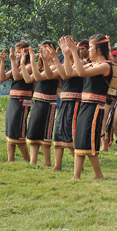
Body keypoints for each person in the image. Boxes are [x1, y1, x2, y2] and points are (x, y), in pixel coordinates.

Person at [63, 34, 113, 180]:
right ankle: (76, 175)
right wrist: (67, 54)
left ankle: (98, 174)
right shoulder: (92, 64)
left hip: (95, 107)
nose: (88, 50)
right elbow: (69, 73)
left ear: (98, 50)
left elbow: (81, 72)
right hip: (85, 106)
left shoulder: (105, 66)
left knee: (89, 139)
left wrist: (73, 52)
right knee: (79, 139)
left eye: (91, 47)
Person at [45, 37, 83, 170]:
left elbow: (66, 74)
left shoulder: (81, 62)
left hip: (74, 101)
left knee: (69, 133)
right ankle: (57, 165)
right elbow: (51, 75)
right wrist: (48, 59)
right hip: (64, 101)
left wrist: (63, 56)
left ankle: (79, 165)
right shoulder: (66, 62)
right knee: (59, 132)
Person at [22, 42, 59, 167]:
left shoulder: (54, 66)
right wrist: (22, 62)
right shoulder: (41, 67)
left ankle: (47, 162)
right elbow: (28, 79)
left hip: (48, 102)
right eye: (42, 50)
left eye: (46, 50)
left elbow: (38, 78)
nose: (43, 53)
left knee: (45, 133)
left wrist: (33, 61)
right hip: (38, 102)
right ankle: (33, 161)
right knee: (33, 131)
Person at [0, 42, 32, 162]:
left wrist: (13, 60)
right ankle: (10, 159)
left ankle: (27, 159)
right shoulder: (16, 65)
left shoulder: (29, 65)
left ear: (26, 52)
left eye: (19, 52)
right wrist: (3, 61)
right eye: (16, 52)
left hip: (23, 100)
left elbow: (17, 77)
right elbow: (2, 78)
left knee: (18, 129)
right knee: (10, 128)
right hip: (13, 99)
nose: (16, 54)